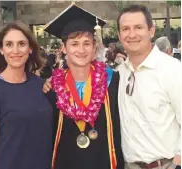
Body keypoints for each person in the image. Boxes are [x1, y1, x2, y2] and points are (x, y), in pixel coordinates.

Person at [43, 3, 124, 169]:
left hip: (104, 162)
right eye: (74, 43)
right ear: (64, 48)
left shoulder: (112, 81)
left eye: (87, 43)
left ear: (94, 48)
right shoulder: (52, 89)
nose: (81, 49)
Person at [0, 21, 54, 169]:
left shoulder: (41, 85)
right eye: (9, 44)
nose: (15, 50)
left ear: (30, 49)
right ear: (1, 50)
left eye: (21, 44)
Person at [117, 5, 181, 169]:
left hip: (165, 164)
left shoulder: (172, 69)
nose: (132, 34)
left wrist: (177, 162)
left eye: (138, 27)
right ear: (119, 35)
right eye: (125, 29)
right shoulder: (119, 74)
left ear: (151, 31)